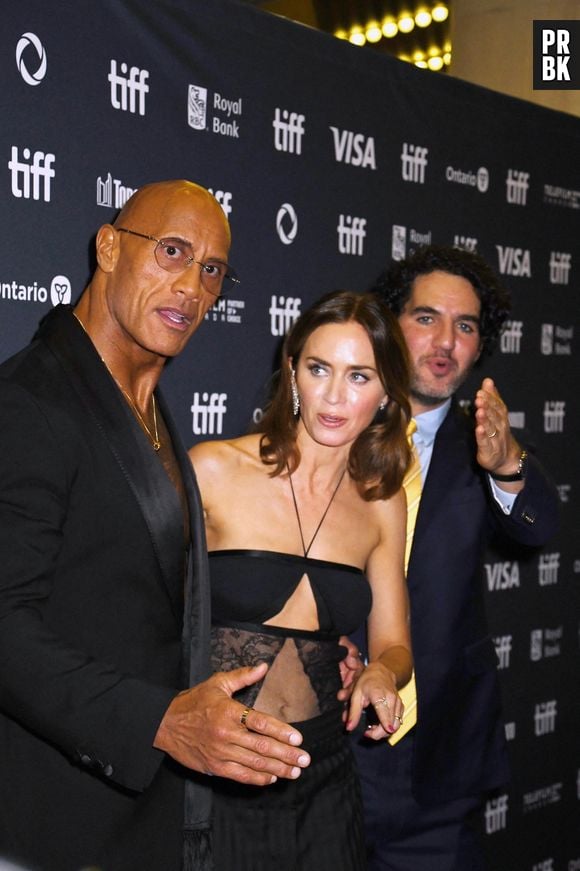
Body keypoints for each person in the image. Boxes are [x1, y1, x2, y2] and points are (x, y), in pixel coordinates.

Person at [0, 180, 316, 871]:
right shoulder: (28, 403)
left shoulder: (146, 406)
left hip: (142, 814)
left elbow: (141, 592)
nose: (191, 286)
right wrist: (159, 720)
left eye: (211, 270)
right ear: (109, 246)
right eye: (171, 251)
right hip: (51, 817)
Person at [189, 290, 414, 871]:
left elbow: (394, 643)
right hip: (218, 765)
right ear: (292, 373)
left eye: (359, 376)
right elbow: (136, 613)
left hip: (325, 777)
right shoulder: (212, 470)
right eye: (319, 369)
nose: (335, 396)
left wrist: (382, 674)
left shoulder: (381, 503)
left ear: (387, 392)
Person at [352, 245, 559, 870]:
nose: (445, 341)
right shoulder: (335, 426)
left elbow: (537, 526)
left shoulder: (486, 444)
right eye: (426, 318)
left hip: (440, 760)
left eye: (465, 326)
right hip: (330, 752)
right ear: (390, 325)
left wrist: (508, 466)